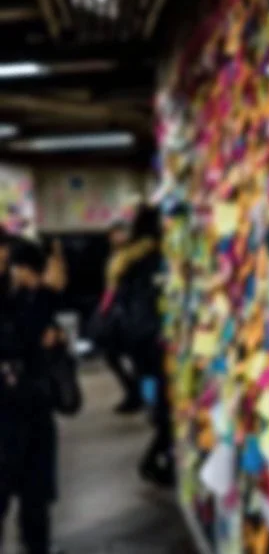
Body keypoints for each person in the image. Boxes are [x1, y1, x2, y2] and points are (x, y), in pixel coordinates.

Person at [0, 237, 89, 554]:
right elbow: (15, 338)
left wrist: (43, 304)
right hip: (7, 412)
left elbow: (27, 336)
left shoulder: (14, 290)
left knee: (36, 490)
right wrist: (44, 296)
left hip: (29, 406)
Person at [110, 204, 173, 487]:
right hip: (154, 337)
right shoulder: (154, 257)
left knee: (160, 398)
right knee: (168, 403)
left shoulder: (125, 259)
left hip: (135, 340)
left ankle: (161, 455)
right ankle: (152, 460)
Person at [98, 219, 145, 413]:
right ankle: (133, 392)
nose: (118, 237)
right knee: (113, 356)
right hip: (119, 313)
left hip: (131, 314)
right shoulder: (114, 257)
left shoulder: (133, 255)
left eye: (121, 232)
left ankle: (136, 395)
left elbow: (120, 287)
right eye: (114, 234)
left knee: (135, 358)